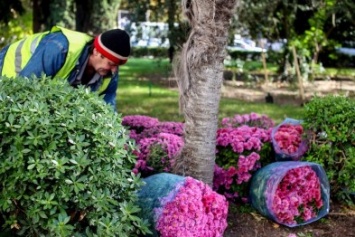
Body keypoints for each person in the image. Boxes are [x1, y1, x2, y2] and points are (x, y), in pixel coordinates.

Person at [0, 25, 131, 110]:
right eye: (112, 64)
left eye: (117, 65)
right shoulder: (59, 48)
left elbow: (108, 103)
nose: (114, 70)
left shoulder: (109, 70)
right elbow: (26, 86)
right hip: (7, 71)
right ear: (97, 52)